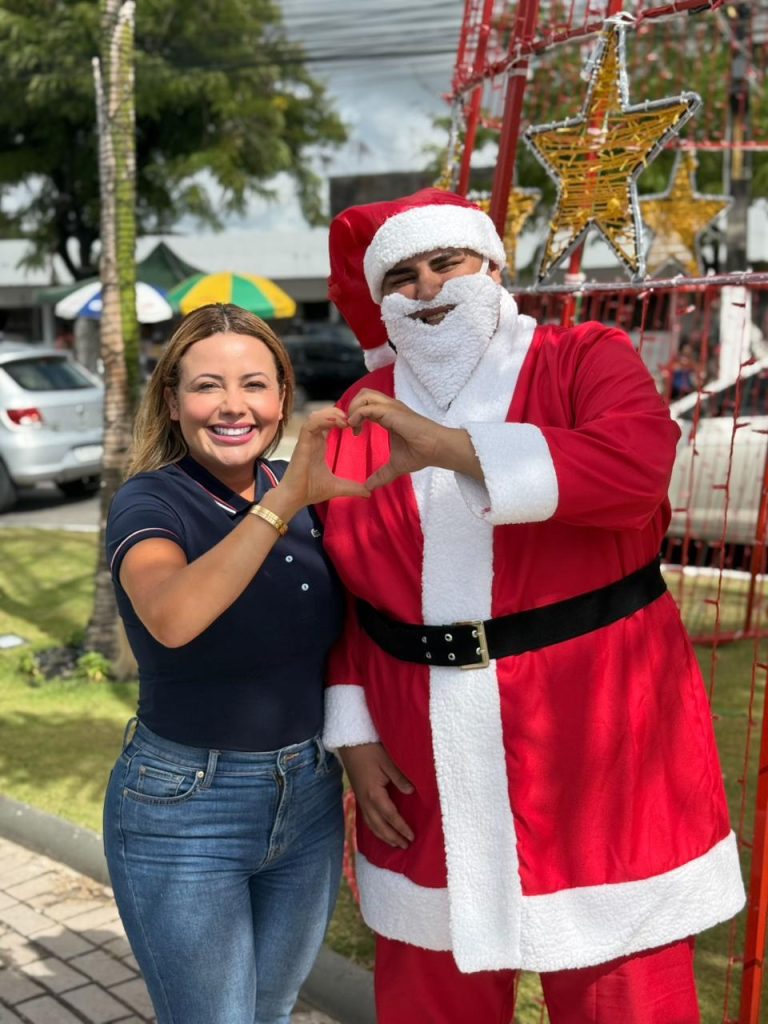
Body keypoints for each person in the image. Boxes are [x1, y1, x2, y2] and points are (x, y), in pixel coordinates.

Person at [320, 189, 745, 1024]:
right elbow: (343, 596)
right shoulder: (354, 416)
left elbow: (634, 471)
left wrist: (444, 446)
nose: (429, 288)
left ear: (493, 266)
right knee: (430, 998)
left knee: (620, 994)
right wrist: (355, 736)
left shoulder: (584, 355)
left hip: (597, 735)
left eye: (447, 262)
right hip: (420, 754)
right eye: (401, 276)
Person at [102, 303, 369, 1024]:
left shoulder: (303, 490)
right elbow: (174, 615)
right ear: (172, 400)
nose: (232, 406)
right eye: (207, 385)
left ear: (283, 396)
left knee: (271, 1012)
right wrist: (284, 504)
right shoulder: (152, 499)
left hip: (308, 795)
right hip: (184, 805)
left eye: (254, 384)